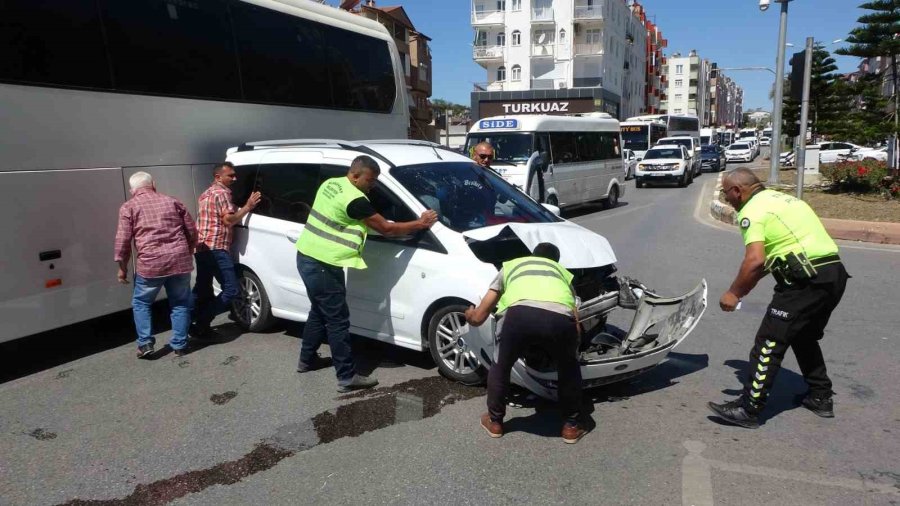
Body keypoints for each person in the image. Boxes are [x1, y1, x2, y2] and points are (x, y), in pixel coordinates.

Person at [708, 168, 849, 429]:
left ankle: (749, 409)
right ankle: (820, 396)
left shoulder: (751, 210)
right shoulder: (787, 200)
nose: (727, 199)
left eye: (726, 194)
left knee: (768, 342)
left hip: (804, 281)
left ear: (737, 191)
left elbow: (755, 260)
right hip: (833, 275)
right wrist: (746, 286)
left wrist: (734, 293)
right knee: (803, 336)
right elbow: (772, 259)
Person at [295, 155, 438, 392]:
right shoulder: (355, 200)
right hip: (323, 264)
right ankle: (346, 377)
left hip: (307, 255)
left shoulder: (331, 183)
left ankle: (306, 360)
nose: (372, 186)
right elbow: (387, 229)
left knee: (319, 311)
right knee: (338, 320)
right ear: (355, 175)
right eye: (370, 181)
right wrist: (420, 224)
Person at [464, 242, 589, 444]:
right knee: (569, 369)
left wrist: (471, 315)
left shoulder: (513, 265)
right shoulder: (562, 274)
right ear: (555, 261)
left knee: (501, 366)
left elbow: (479, 316)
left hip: (517, 318)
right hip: (559, 321)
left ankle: (495, 422)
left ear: (533, 255)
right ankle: (571, 427)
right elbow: (575, 320)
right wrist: (571, 349)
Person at [114, 172, 198, 358]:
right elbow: (191, 229)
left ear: (132, 190)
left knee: (141, 302)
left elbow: (123, 241)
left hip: (151, 264)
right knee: (180, 302)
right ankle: (180, 345)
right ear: (153, 184)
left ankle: (145, 344)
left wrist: (122, 268)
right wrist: (190, 248)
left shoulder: (129, 207)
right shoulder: (172, 201)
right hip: (179, 261)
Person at [192, 162, 261, 338]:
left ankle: (188, 322)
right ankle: (201, 320)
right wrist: (248, 206)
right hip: (216, 247)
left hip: (201, 247)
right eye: (230, 175)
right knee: (231, 289)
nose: (234, 178)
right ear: (218, 177)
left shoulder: (206, 193)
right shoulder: (222, 193)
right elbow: (228, 220)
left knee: (202, 289)